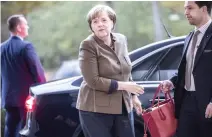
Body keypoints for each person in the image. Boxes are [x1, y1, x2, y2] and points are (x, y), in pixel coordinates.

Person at [76, 5, 144, 137]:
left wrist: (134, 96)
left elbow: (124, 70)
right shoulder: (87, 45)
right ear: (91, 27)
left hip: (123, 106)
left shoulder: (121, 39)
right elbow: (93, 81)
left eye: (104, 20)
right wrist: (124, 86)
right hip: (95, 110)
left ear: (112, 22)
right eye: (95, 22)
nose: (100, 24)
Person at [161, 1, 212, 137]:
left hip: (207, 103)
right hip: (187, 101)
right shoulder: (189, 37)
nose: (186, 13)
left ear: (204, 9)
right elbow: (186, 69)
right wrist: (172, 81)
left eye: (190, 8)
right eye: (185, 9)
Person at [1, 14, 46, 137]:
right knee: (24, 130)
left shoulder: (1, 48)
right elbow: (38, 72)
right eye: (26, 24)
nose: (28, 27)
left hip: (7, 98)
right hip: (25, 98)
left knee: (9, 130)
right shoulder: (26, 47)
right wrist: (44, 91)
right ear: (19, 27)